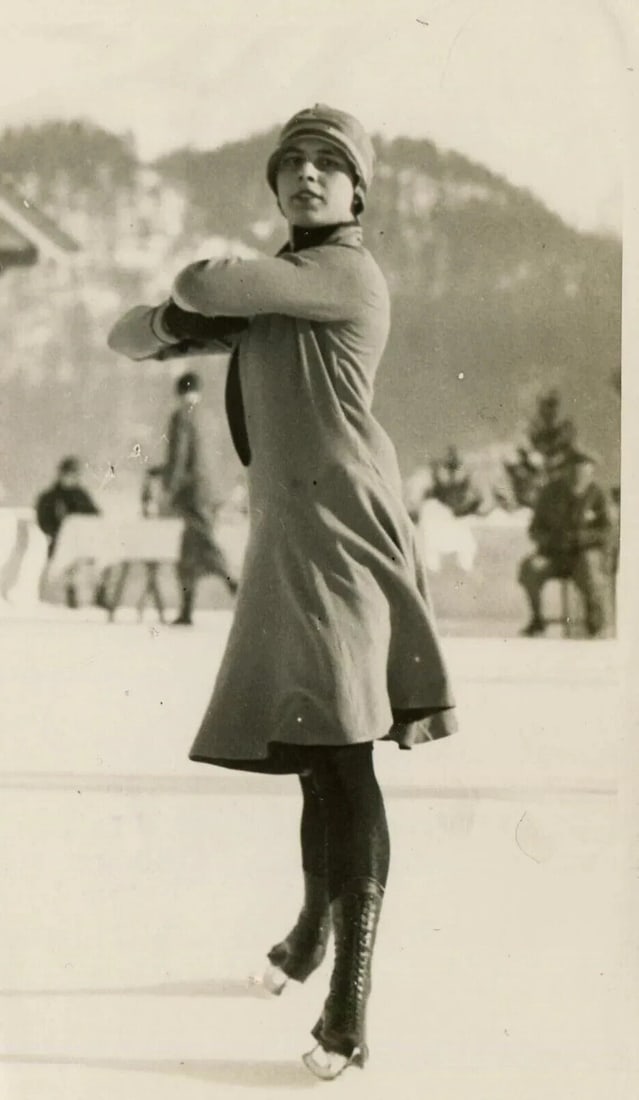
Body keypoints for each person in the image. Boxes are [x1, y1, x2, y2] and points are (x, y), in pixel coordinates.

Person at [108, 103, 456, 1080]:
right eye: (291, 164)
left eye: (328, 165)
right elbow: (126, 335)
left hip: (345, 537)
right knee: (315, 749)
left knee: (344, 760)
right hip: (292, 543)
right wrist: (184, 322)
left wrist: (190, 313)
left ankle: (347, 1006)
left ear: (357, 193)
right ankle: (309, 933)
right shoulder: (282, 298)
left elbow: (191, 285)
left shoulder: (340, 275)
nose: (306, 175)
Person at [151, 371, 238, 625]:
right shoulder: (210, 417)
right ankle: (187, 610)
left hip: (192, 493)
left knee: (203, 540)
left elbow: (180, 455)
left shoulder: (181, 416)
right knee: (188, 551)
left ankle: (235, 583)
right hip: (213, 490)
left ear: (178, 392)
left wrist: (169, 486)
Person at [518, 448, 612, 637]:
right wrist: (551, 540)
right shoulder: (549, 493)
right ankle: (537, 619)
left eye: (583, 471)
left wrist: (582, 537)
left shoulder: (598, 494)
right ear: (565, 471)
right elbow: (534, 529)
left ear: (590, 472)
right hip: (553, 556)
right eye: (572, 470)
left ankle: (594, 621)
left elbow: (608, 530)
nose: (577, 476)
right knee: (530, 568)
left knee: (590, 569)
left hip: (584, 556)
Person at [35, 455, 100, 607]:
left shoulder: (82, 496)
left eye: (75, 474)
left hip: (83, 545)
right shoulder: (49, 497)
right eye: (69, 473)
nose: (72, 477)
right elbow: (44, 520)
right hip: (59, 544)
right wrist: (58, 533)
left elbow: (94, 516)